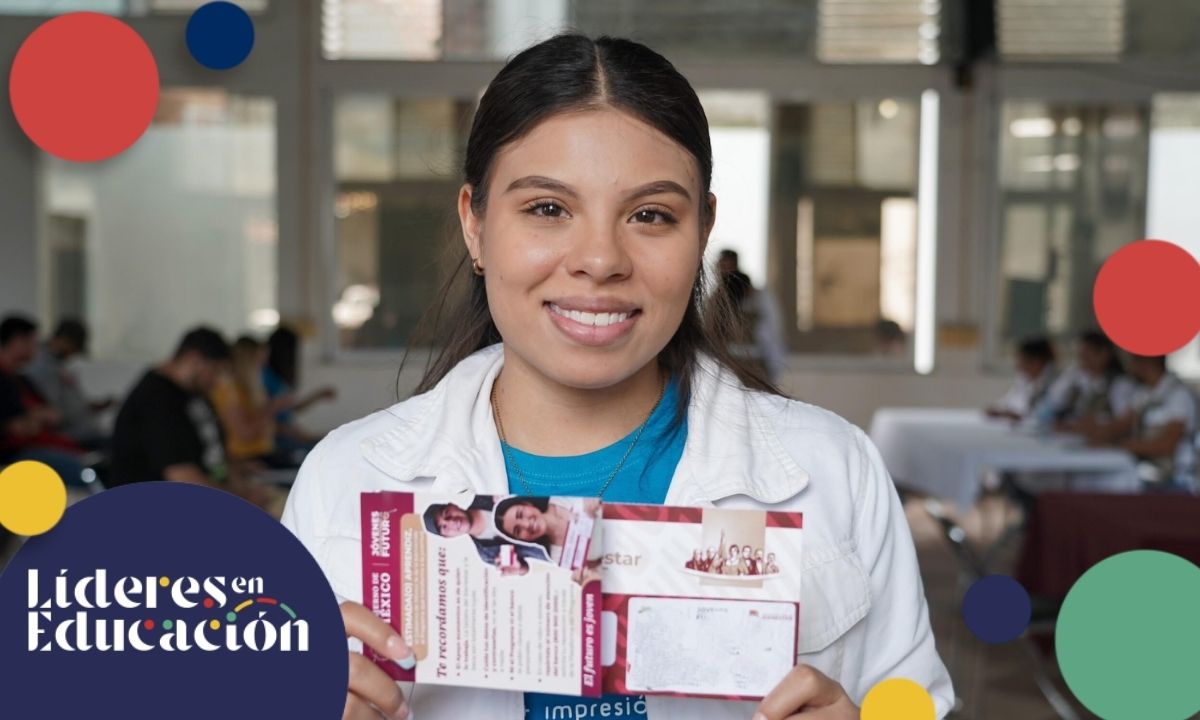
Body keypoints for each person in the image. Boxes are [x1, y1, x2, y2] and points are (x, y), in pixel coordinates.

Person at [281, 33, 951, 720]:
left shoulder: (834, 469)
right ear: (475, 225)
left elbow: (914, 701)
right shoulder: (345, 480)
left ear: (703, 231)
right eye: (547, 209)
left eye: (650, 215)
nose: (600, 259)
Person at [109, 327, 274, 509]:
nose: (218, 380)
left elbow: (214, 456)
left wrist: (240, 480)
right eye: (215, 370)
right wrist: (243, 502)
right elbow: (183, 478)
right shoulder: (156, 401)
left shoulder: (195, 394)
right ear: (194, 359)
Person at [1085, 354, 1197, 492]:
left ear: (1148, 361)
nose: (1130, 365)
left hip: (1175, 480)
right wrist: (1095, 432)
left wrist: (1119, 445)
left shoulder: (1178, 395)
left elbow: (1167, 445)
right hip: (1146, 473)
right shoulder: (1143, 393)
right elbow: (1120, 426)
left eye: (1133, 360)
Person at [0, 315, 88, 486]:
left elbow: (52, 413)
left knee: (91, 461)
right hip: (14, 451)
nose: (36, 349)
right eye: (32, 342)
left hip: (40, 441)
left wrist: (35, 418)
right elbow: (17, 426)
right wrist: (27, 421)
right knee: (80, 470)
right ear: (18, 341)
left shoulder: (21, 379)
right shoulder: (6, 380)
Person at [23, 318, 114, 448]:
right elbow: (52, 409)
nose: (73, 354)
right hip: (73, 437)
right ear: (64, 340)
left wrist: (92, 406)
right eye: (73, 348)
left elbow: (67, 403)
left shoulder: (57, 364)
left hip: (85, 431)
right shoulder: (42, 367)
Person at [1035, 330, 1136, 432]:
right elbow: (1054, 404)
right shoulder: (1077, 381)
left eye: (1086, 355)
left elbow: (1123, 423)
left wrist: (1084, 426)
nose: (1082, 360)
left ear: (1104, 354)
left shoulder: (1121, 384)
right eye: (1081, 355)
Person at [210, 336, 289, 464]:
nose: (262, 367)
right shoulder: (229, 390)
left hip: (265, 452)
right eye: (258, 362)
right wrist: (273, 407)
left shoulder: (248, 387)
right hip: (247, 458)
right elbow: (245, 433)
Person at [712, 249, 787, 383]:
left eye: (728, 267)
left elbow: (773, 333)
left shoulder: (760, 298)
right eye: (722, 268)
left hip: (754, 366)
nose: (726, 273)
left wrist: (774, 367)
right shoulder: (714, 300)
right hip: (726, 367)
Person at [262, 325, 336, 458]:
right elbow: (265, 416)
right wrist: (295, 433)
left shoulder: (278, 377)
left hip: (289, 437)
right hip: (276, 442)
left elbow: (289, 409)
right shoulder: (265, 376)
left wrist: (318, 396)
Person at [494, 496, 601, 564]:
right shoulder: (557, 558)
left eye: (520, 514)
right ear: (521, 540)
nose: (526, 525)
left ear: (527, 504)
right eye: (518, 530)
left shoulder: (561, 495)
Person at [987, 336, 1057, 421]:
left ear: (1036, 363)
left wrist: (1016, 415)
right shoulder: (1024, 380)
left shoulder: (1054, 384)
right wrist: (1000, 410)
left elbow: (1039, 416)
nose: (1017, 365)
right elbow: (1007, 402)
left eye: (1021, 360)